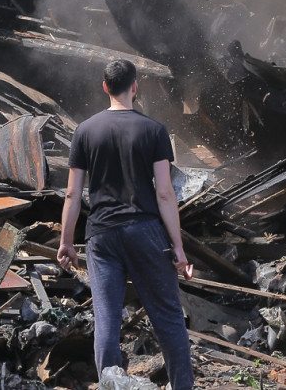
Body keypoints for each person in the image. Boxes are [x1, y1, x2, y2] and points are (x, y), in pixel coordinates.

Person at [57, 60, 194, 390]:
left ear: (105, 87)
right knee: (168, 318)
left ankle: (110, 385)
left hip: (101, 235)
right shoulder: (154, 131)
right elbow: (164, 193)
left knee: (106, 319)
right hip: (145, 231)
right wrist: (177, 246)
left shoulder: (85, 131)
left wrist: (66, 241)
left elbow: (73, 193)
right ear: (135, 86)